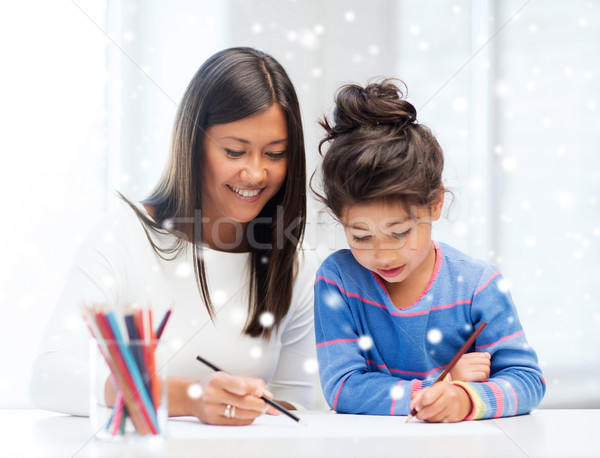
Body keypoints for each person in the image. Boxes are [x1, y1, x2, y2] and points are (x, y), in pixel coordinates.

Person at [30, 47, 318, 426]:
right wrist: (185, 397)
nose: (256, 173)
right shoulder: (123, 236)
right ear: (193, 143)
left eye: (275, 154)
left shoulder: (295, 264)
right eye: (234, 152)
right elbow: (49, 377)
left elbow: (297, 405)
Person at [312, 79, 545, 422]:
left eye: (400, 233)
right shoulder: (338, 281)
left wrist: (466, 399)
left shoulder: (478, 285)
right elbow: (343, 388)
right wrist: (439, 384)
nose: (384, 255)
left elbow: (527, 381)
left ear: (435, 205)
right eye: (360, 236)